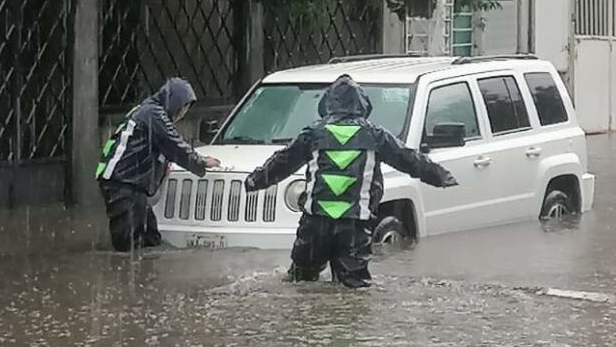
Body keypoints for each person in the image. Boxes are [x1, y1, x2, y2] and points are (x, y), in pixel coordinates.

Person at [244, 74, 457, 287]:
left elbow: (283, 162)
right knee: (354, 288)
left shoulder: (313, 134)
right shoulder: (375, 135)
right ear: (363, 105)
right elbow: (409, 160)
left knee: (300, 282)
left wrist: (256, 180)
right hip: (354, 226)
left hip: (315, 224)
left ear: (326, 104)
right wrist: (440, 176)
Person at [96, 77, 219, 252]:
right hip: (123, 184)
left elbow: (157, 147)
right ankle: (126, 268)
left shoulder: (150, 112)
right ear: (175, 102)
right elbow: (173, 144)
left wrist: (162, 168)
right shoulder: (153, 113)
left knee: (150, 238)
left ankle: (144, 267)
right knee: (129, 245)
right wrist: (201, 162)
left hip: (128, 184)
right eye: (183, 107)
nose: (183, 113)